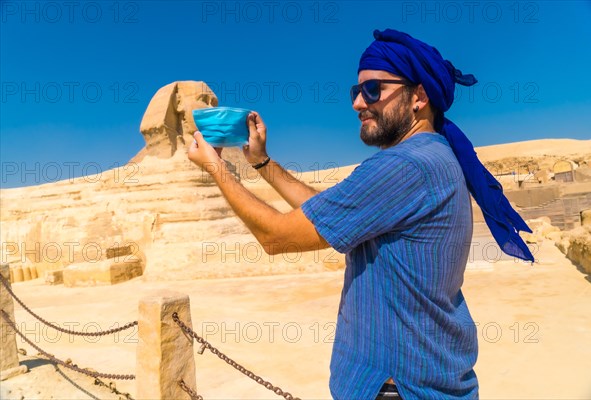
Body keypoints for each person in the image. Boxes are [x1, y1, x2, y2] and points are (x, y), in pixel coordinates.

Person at [188, 29, 534, 400]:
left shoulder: (404, 166)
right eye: (357, 92)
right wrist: (261, 163)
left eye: (373, 91)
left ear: (418, 96)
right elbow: (325, 213)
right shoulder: (433, 157)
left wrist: (216, 168)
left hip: (397, 388)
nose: (357, 104)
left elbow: (276, 237)